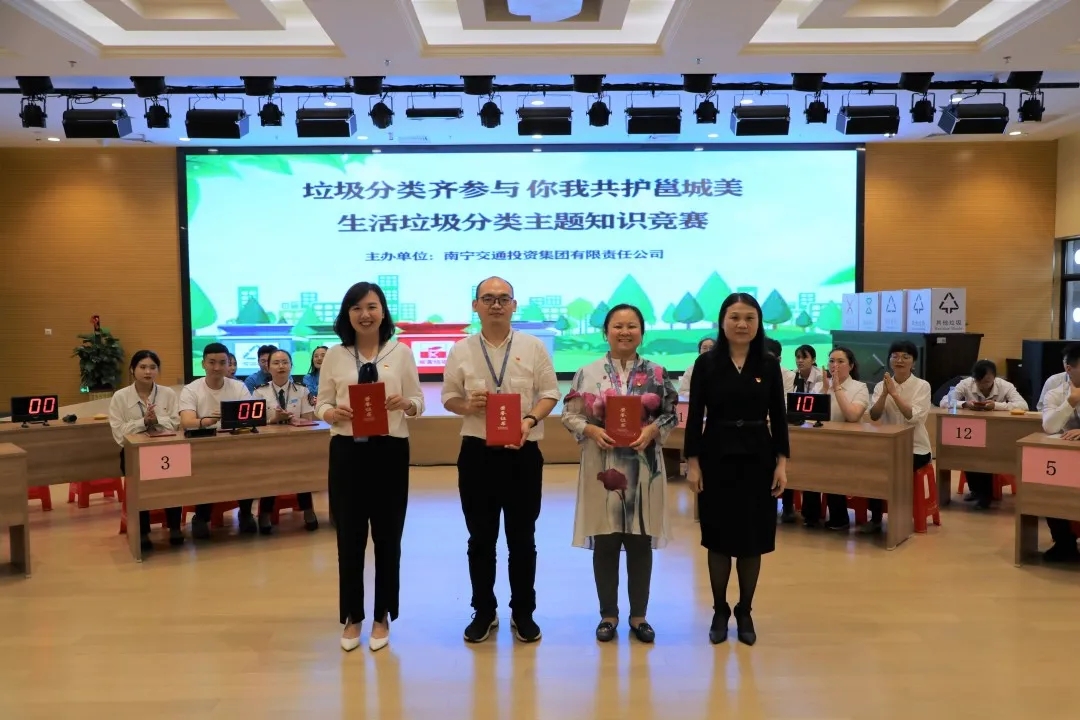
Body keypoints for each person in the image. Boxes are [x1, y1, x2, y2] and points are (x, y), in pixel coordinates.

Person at [442, 276, 560, 644]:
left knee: (522, 539)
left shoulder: (533, 346)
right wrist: (467, 405)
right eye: (488, 298)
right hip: (477, 454)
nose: (496, 304)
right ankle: (484, 610)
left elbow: (550, 393)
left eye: (503, 298)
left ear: (514, 305)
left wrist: (529, 420)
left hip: (523, 453)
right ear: (475, 306)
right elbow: (448, 397)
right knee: (480, 539)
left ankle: (523, 612)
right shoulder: (461, 349)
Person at [315, 281, 423, 651]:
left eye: (372, 306)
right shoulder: (335, 354)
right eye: (357, 307)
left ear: (383, 312)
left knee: (388, 536)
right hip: (347, 452)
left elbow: (418, 401)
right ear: (347, 314)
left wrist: (405, 404)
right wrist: (332, 412)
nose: (365, 314)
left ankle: (382, 615)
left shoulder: (400, 352)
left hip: (390, 451)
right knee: (349, 537)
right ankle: (352, 616)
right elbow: (321, 403)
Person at [562, 303, 679, 643]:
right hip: (603, 466)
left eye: (632, 326)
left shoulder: (657, 373)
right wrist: (591, 430)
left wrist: (653, 430)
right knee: (606, 540)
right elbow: (569, 415)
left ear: (642, 332)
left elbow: (671, 413)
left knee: (641, 540)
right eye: (617, 326)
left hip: (644, 468)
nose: (625, 332)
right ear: (606, 332)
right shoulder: (587, 373)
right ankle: (608, 615)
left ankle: (639, 615)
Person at [684, 293, 789, 646]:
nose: (742, 324)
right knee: (718, 538)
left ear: (758, 323)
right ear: (722, 321)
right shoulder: (706, 364)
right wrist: (693, 463)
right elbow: (694, 417)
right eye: (734, 317)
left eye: (749, 318)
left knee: (751, 539)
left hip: (759, 457)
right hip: (716, 454)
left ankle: (745, 610)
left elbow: (780, 418)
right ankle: (719, 609)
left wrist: (782, 463)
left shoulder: (769, 364)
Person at [108, 350, 183, 549]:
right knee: (138, 488)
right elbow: (119, 433)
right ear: (132, 370)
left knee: (173, 484)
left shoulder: (168, 394)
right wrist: (143, 422)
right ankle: (142, 531)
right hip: (134, 453)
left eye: (152, 367)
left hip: (166, 449)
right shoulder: (120, 397)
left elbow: (176, 424)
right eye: (142, 367)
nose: (148, 372)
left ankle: (175, 527)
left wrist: (156, 420)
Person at [178, 342, 252, 538]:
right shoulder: (191, 389)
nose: (217, 367)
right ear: (203, 364)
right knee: (206, 472)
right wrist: (208, 421)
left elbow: (250, 418)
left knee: (248, 465)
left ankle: (246, 513)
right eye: (212, 362)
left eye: (222, 362)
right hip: (203, 446)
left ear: (229, 364)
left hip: (235, 445)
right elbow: (186, 421)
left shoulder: (239, 387)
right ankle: (201, 517)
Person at [941, 359, 1028, 509]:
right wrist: (964, 404)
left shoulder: (1005, 386)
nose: (983, 385)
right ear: (974, 378)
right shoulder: (966, 384)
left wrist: (996, 406)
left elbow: (1023, 405)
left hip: (998, 433)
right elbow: (944, 401)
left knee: (987, 454)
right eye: (979, 381)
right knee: (967, 451)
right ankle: (976, 491)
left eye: (987, 381)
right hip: (971, 432)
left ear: (994, 377)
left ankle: (985, 495)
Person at [865, 340, 932, 534]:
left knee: (895, 468)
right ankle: (875, 518)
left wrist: (894, 394)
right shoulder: (881, 385)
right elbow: (874, 415)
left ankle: (900, 517)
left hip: (916, 448)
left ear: (914, 362)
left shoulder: (922, 386)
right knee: (872, 467)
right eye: (895, 356)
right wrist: (884, 394)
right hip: (890, 446)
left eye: (905, 357)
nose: (899, 360)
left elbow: (914, 417)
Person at [801, 347, 870, 530]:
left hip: (847, 446)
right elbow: (810, 417)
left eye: (840, 361)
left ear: (851, 365)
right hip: (821, 444)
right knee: (809, 462)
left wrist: (837, 388)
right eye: (831, 361)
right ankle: (811, 515)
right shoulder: (820, 385)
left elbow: (852, 416)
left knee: (833, 466)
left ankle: (839, 518)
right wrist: (825, 390)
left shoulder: (860, 388)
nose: (835, 365)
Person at [252, 348, 319, 532]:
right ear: (268, 367)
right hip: (269, 446)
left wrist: (294, 420)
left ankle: (308, 510)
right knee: (270, 474)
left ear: (291, 366)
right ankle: (265, 513)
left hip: (297, 444)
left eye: (285, 362)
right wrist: (273, 420)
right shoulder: (260, 392)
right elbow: (255, 425)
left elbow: (308, 420)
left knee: (301, 471)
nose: (281, 366)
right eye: (276, 363)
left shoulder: (302, 390)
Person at [1038, 343, 1080, 562]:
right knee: (1047, 489)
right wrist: (1070, 402)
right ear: (1069, 369)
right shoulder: (1055, 393)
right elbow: (1049, 426)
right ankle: (1064, 543)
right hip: (1064, 459)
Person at [779, 344, 821, 521]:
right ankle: (788, 507)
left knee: (810, 468)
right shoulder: (792, 376)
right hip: (795, 429)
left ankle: (811, 513)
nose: (800, 361)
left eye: (804, 357)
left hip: (816, 433)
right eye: (797, 357)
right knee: (789, 465)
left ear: (813, 359)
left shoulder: (821, 377)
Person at [1037, 347, 1071, 411]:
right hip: (1058, 417)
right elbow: (1042, 409)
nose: (1067, 367)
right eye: (1065, 361)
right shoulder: (1053, 381)